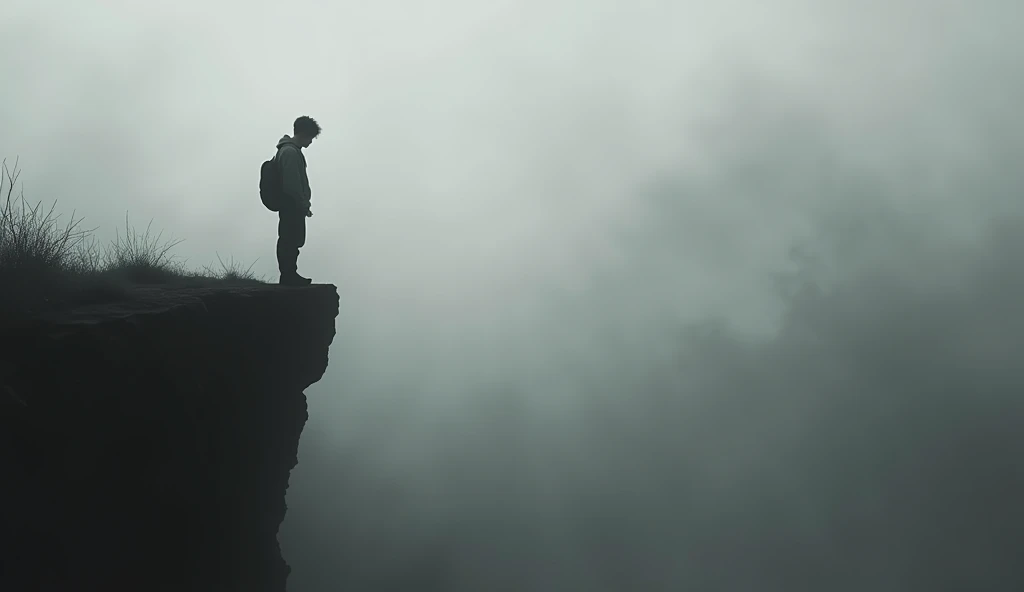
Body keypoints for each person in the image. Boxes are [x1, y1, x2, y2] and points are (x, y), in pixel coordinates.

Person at [274, 115, 321, 285]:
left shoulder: (289, 151)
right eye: (310, 137)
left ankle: (289, 274)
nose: (311, 142)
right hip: (291, 205)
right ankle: (288, 275)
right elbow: (292, 184)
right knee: (290, 240)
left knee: (291, 240)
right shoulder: (290, 152)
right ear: (304, 133)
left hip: (292, 204)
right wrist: (302, 203)